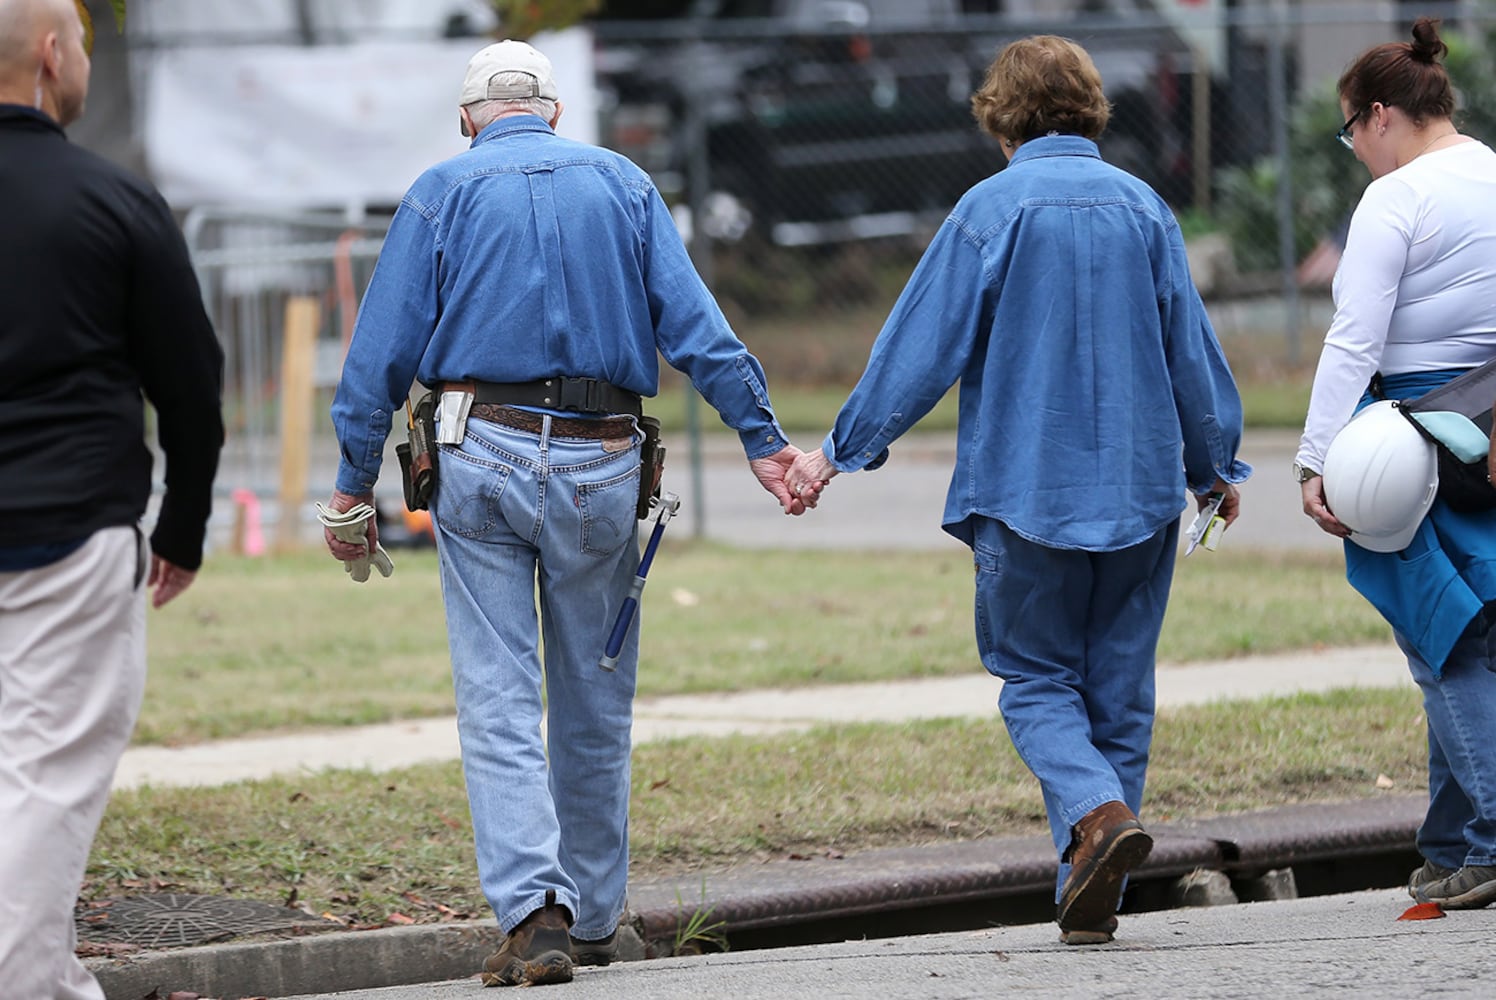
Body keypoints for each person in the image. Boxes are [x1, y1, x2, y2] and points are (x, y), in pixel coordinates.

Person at [325, 39, 809, 987]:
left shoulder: (440, 191)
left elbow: (377, 356)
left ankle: (533, 913)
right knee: (594, 696)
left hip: (480, 451)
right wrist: (764, 439)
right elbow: (698, 327)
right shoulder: (624, 184)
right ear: (551, 111)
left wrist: (350, 486)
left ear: (470, 119)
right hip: (602, 458)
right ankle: (592, 917)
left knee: (499, 695)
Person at [784, 34, 1248, 944]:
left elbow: (920, 348)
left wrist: (840, 452)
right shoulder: (1146, 208)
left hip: (1024, 491)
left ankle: (1096, 819)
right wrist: (1215, 466)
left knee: (1034, 678)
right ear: (1090, 108)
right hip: (1140, 491)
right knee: (1119, 690)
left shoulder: (988, 211)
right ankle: (1093, 887)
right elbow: (1189, 351)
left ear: (1002, 121)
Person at [0, 0, 226, 995]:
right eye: (84, 40)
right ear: (51, 57)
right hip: (68, 527)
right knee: (48, 773)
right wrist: (181, 525)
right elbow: (190, 385)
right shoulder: (112, 199)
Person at [1296, 17, 1496, 911]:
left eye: (1349, 133)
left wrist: (1314, 460)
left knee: (1438, 642)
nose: (1354, 153)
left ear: (1380, 115)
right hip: (1490, 429)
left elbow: (1353, 340)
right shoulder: (1493, 171)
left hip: (1410, 443)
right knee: (1475, 631)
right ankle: (1451, 842)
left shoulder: (1396, 197)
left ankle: (1488, 842)